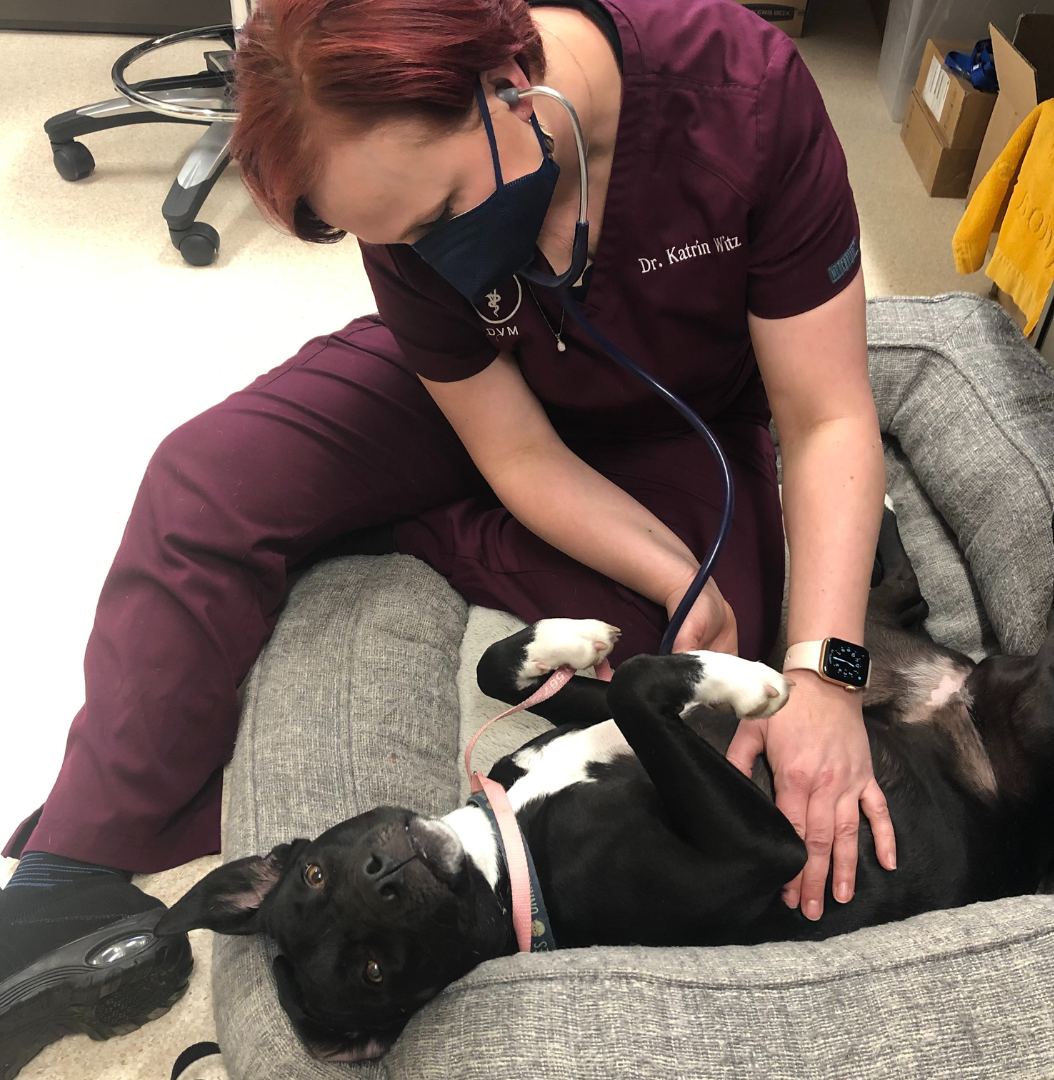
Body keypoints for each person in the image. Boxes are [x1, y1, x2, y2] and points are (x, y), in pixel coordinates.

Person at [0, 0, 895, 1067]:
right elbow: (517, 455)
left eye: (440, 216)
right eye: (405, 239)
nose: (441, 255)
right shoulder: (400, 204)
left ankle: (383, 528)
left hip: (679, 422)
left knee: (709, 684)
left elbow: (830, 417)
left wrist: (827, 672)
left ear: (509, 75)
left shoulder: (742, 94)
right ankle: (69, 874)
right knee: (206, 478)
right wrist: (665, 564)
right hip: (477, 401)